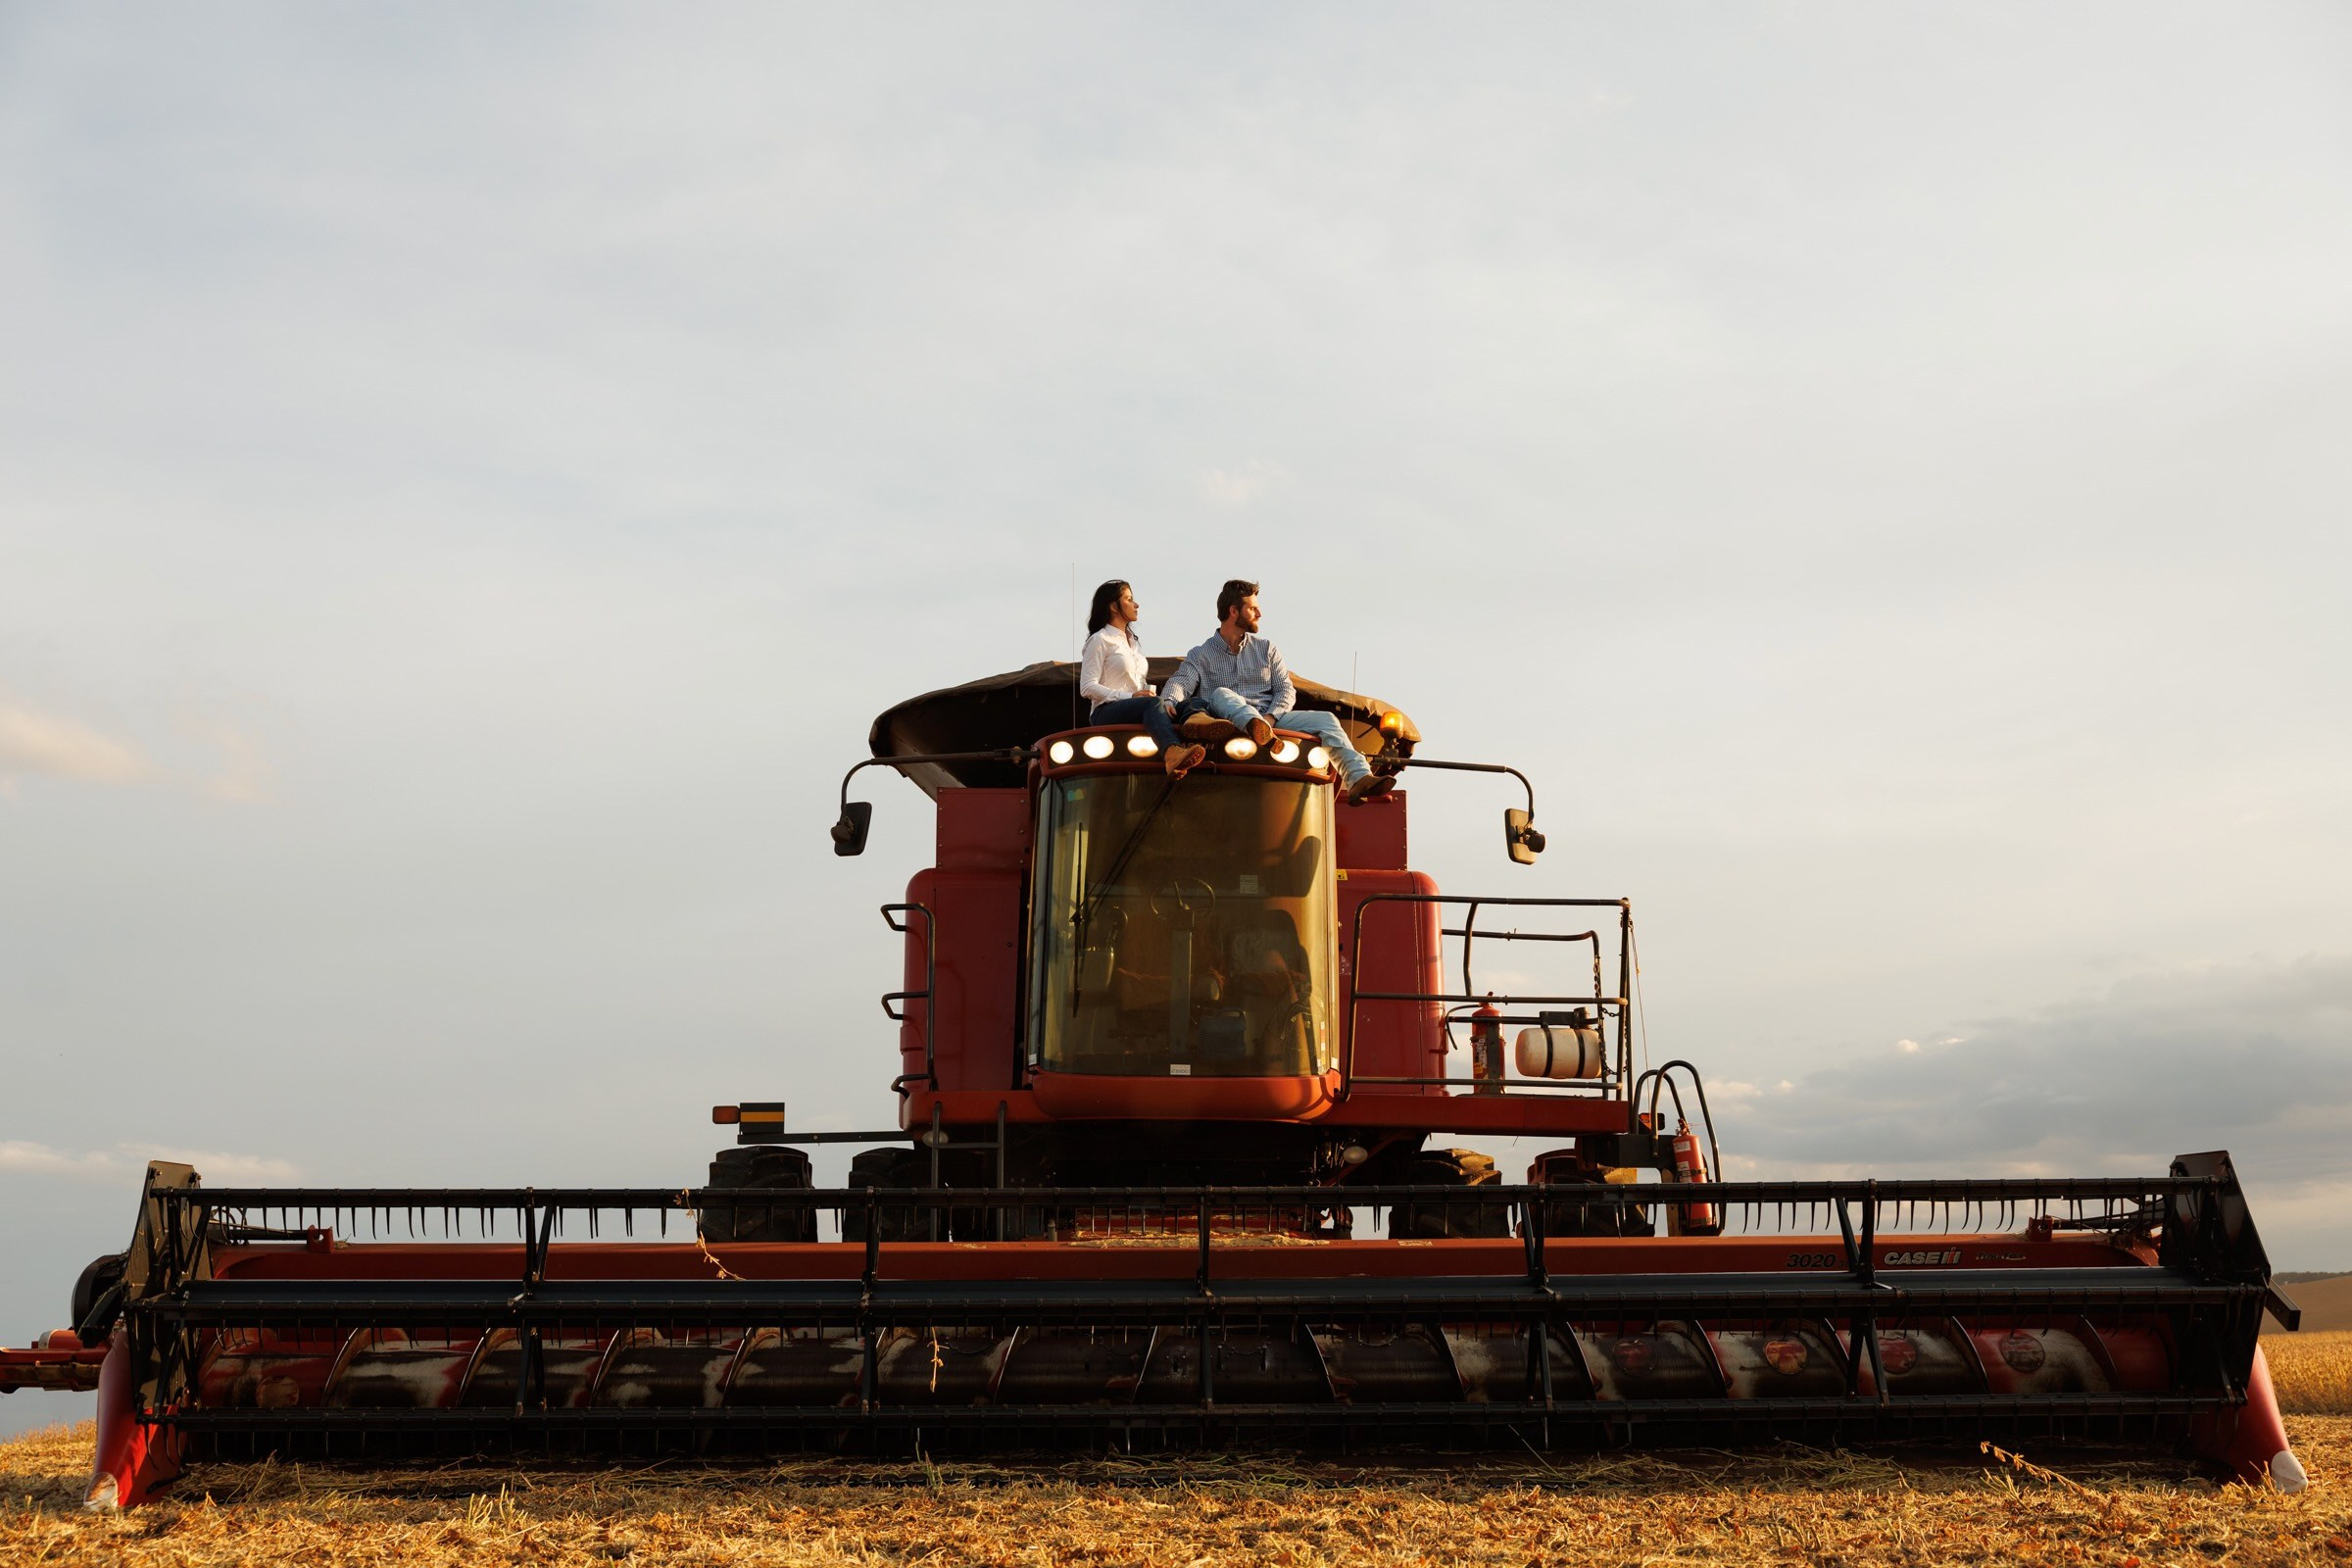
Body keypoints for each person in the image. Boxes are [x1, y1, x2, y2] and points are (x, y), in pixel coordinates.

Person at [1161, 579, 1392, 804]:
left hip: (1269, 721)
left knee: (1327, 720)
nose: (1259, 614)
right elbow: (1181, 682)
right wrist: (1168, 701)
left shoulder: (1267, 649)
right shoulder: (1200, 654)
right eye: (1253, 609)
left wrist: (1270, 718)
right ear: (1233, 611)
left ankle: (1358, 778)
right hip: (1225, 721)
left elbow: (1286, 690)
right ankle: (1254, 725)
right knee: (1221, 694)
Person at [1078, 579, 1206, 775]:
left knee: (1191, 702)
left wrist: (1158, 701)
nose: (1136, 604)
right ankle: (1172, 753)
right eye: (1129, 599)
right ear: (1113, 606)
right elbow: (1087, 687)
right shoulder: (1100, 639)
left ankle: (1201, 737)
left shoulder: (1134, 644)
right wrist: (1130, 697)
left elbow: (1137, 686)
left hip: (1137, 706)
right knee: (1152, 704)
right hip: (1105, 711)